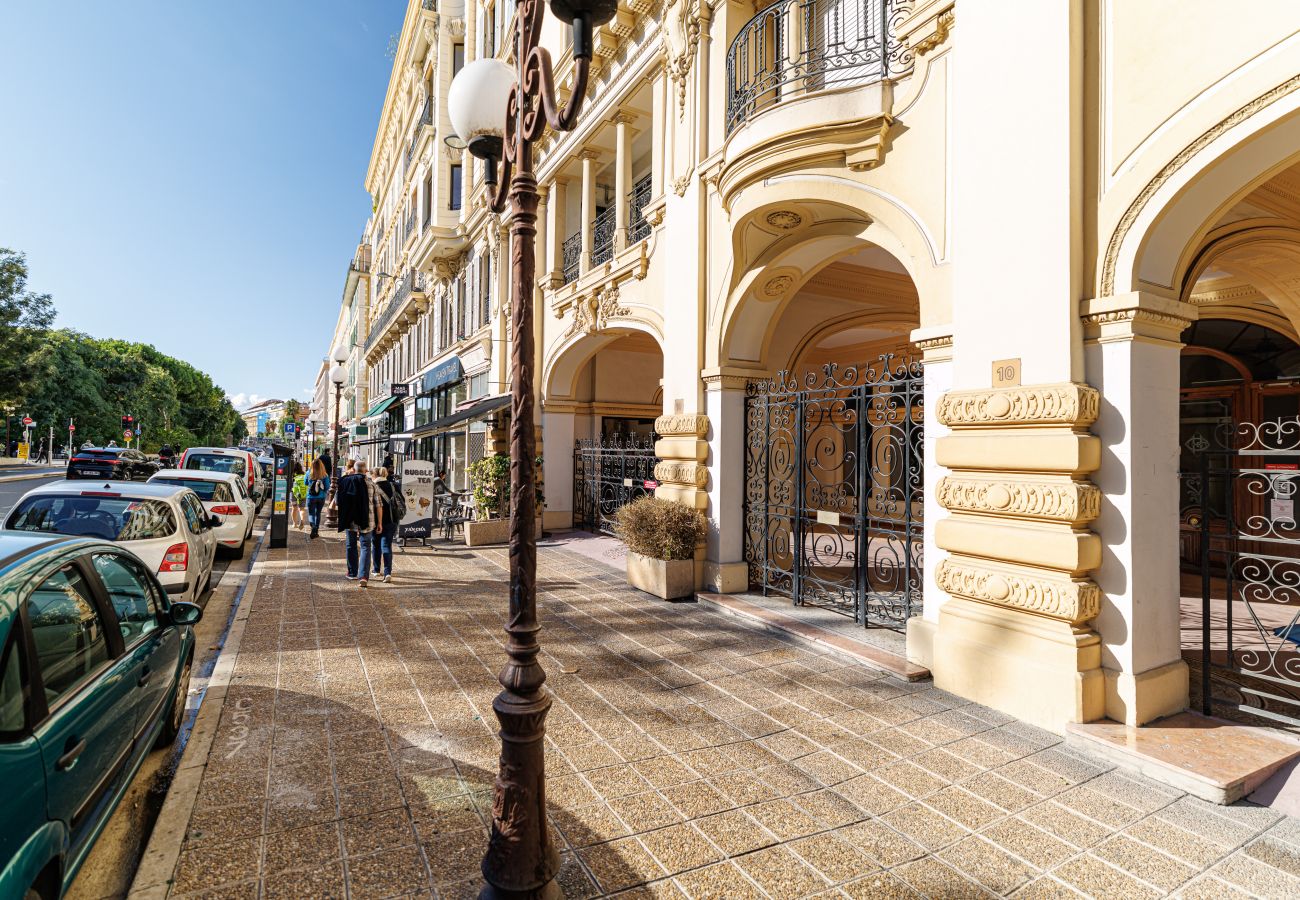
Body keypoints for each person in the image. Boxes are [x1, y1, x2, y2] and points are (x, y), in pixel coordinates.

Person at [331, 459, 381, 587]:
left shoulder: (345, 482)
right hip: (367, 519)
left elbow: (337, 500)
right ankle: (363, 576)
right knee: (365, 546)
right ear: (365, 470)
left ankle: (352, 572)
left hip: (350, 518)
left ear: (353, 469)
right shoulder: (372, 484)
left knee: (351, 545)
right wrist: (379, 522)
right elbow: (378, 505)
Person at [371, 467, 399, 582]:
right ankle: (388, 572)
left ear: (374, 475)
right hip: (392, 520)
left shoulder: (372, 486)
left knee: (375, 544)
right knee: (387, 545)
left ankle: (376, 570)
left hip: (375, 520)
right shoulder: (394, 485)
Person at [305, 458, 330, 538]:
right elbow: (327, 487)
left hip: (311, 497)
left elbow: (305, 482)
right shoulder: (324, 474)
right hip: (321, 497)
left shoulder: (309, 473)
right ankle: (316, 531)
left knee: (311, 513)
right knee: (317, 513)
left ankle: (313, 527)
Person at [290, 460, 307, 529]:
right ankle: (302, 520)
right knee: (302, 508)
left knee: (294, 508)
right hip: (302, 493)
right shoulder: (304, 475)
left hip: (294, 493)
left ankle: (294, 524)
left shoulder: (292, 475)